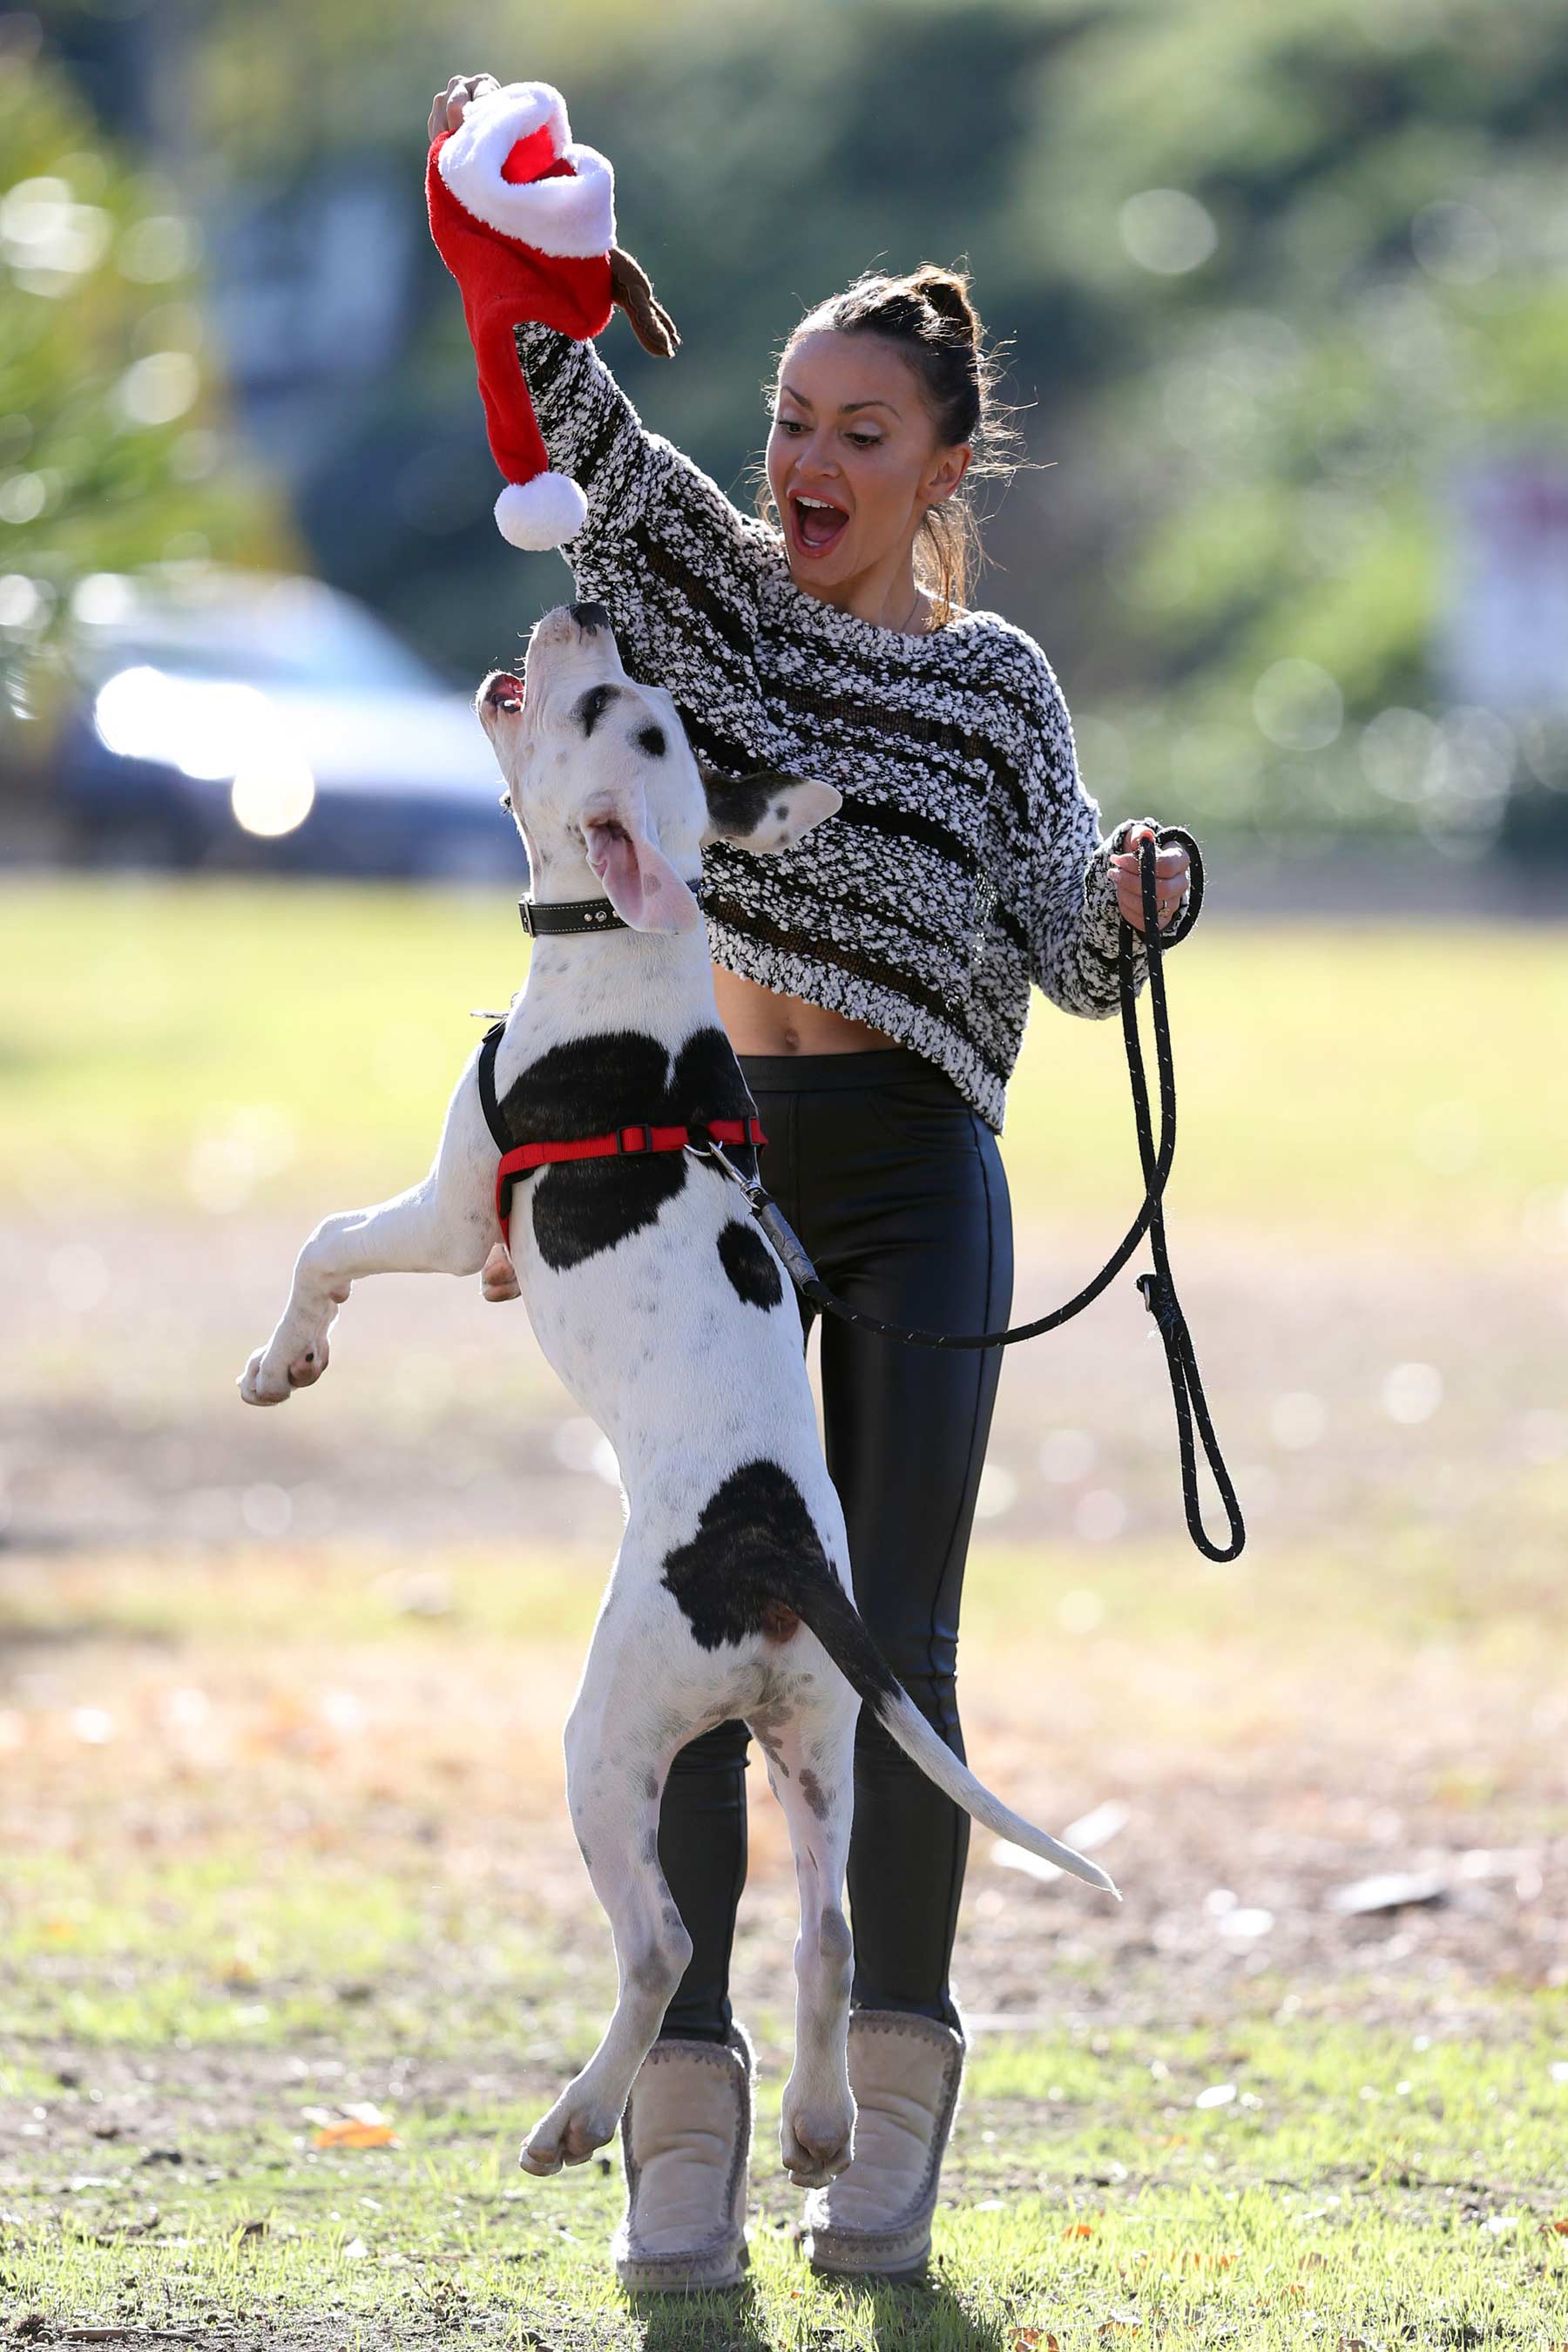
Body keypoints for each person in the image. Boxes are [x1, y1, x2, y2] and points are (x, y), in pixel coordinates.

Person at [429, 71, 1194, 2293]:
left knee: (893, 1655)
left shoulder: (1000, 686)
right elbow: (567, 410)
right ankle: (685, 2125)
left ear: (946, 467)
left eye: (866, 435)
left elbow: (1061, 928)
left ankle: (899, 2093)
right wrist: (497, 201)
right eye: (792, 420)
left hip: (919, 1188)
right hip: (714, 1180)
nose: (812, 469)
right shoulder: (707, 600)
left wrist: (1135, 895)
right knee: (699, 1609)